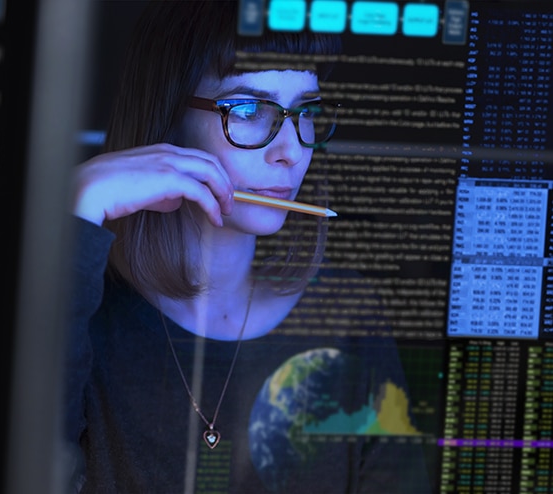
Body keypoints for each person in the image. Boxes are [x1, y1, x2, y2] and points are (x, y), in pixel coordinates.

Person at [66, 1, 430, 492]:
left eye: (305, 111)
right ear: (167, 116)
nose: (292, 151)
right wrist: (77, 211)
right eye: (248, 109)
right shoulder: (84, 312)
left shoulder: (349, 316)